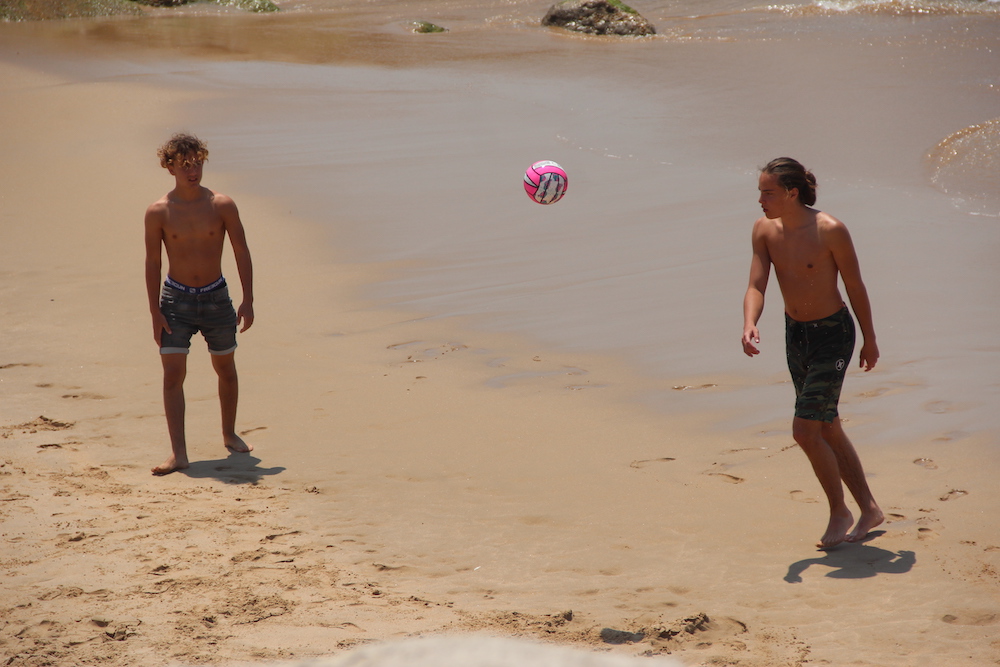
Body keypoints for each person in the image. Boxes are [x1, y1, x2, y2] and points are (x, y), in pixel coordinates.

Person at [742, 157, 883, 549]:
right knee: (827, 425)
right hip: (796, 335)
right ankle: (870, 508)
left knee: (805, 430)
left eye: (767, 193)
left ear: (792, 193)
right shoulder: (763, 230)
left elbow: (854, 285)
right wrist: (749, 322)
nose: (760, 200)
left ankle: (840, 512)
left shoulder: (830, 230)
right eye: (759, 192)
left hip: (833, 335)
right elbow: (756, 285)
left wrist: (870, 338)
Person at [145, 133, 255, 476]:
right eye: (185, 165)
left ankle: (229, 433)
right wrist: (154, 311)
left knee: (226, 368)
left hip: (215, 297)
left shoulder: (222, 205)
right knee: (172, 375)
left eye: (197, 163)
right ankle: (179, 453)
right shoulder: (158, 212)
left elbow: (241, 250)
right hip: (175, 299)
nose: (192, 171)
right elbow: (152, 262)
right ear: (170, 168)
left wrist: (248, 299)